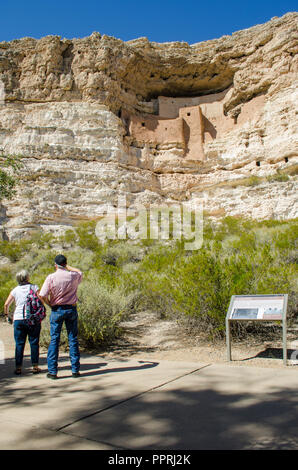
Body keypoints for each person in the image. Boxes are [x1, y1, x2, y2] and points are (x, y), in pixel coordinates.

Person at [38, 254, 82, 379]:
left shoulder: (51, 277)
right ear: (65, 264)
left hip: (57, 309)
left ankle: (52, 371)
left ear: (55, 265)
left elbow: (42, 295)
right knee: (73, 338)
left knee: (54, 339)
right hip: (71, 309)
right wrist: (68, 267)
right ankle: (75, 370)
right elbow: (79, 271)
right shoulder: (73, 276)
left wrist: (50, 304)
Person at [4, 270, 42, 375]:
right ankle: (35, 366)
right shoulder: (34, 287)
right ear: (27, 277)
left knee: (19, 344)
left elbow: (6, 304)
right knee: (34, 342)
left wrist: (8, 316)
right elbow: (40, 300)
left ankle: (18, 368)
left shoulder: (15, 290)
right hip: (32, 319)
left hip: (19, 319)